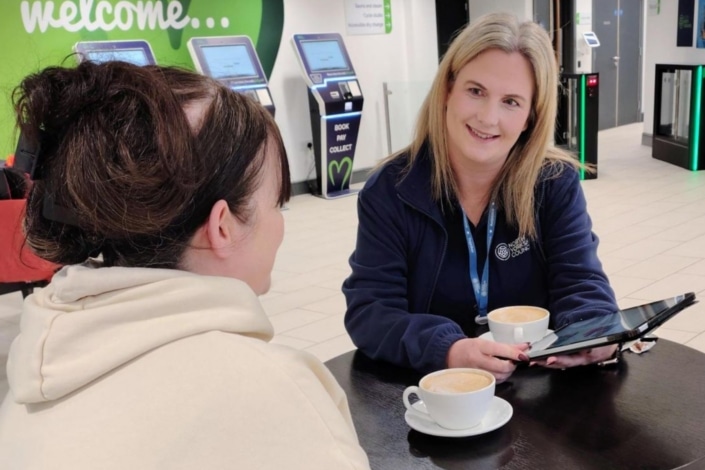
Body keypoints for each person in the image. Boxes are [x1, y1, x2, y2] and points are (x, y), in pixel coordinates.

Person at [0, 61, 370, 469]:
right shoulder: (275, 395)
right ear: (222, 227)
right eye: (276, 204)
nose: (281, 224)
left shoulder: (33, 372)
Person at [343, 12, 619, 383]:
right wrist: (450, 350)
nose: (489, 118)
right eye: (476, 91)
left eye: (511, 102)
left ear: (531, 119)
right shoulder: (392, 190)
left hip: (537, 393)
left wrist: (592, 332)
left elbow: (582, 283)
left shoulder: (554, 182)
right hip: (433, 394)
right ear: (447, 92)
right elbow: (372, 312)